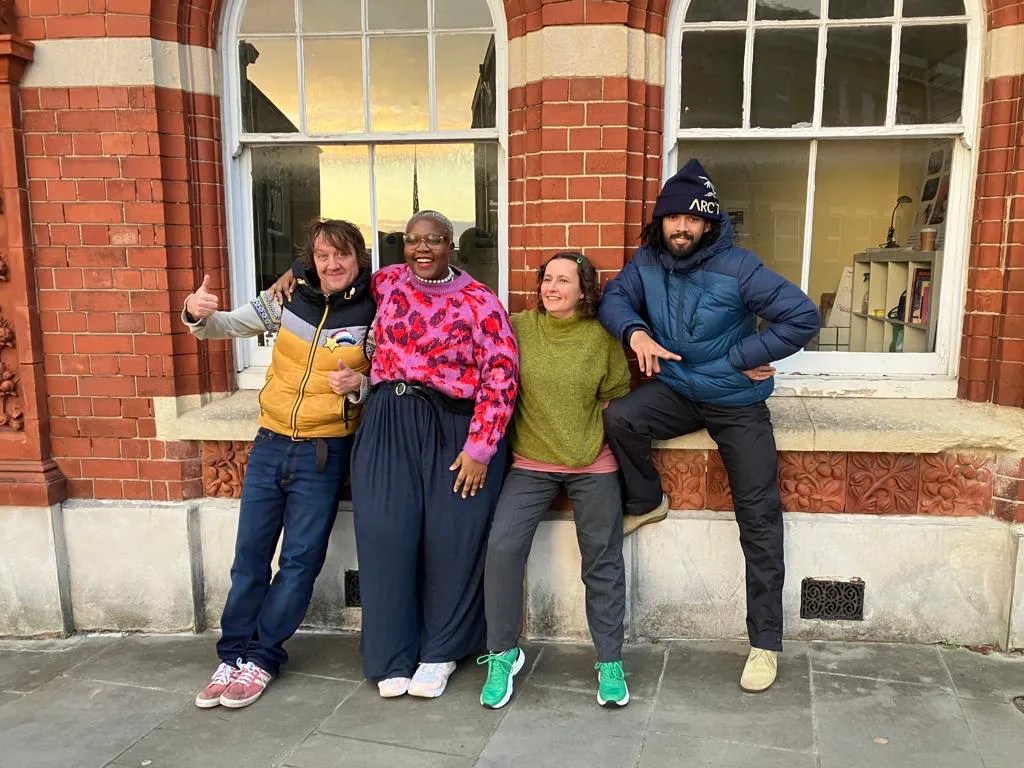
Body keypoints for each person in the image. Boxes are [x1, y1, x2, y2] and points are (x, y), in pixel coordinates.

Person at [269, 210, 519, 699]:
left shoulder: (481, 302)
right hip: (386, 421)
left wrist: (481, 447)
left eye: (435, 240)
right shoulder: (384, 284)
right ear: (403, 245)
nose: (423, 249)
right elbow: (333, 276)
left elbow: (502, 377)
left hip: (453, 429)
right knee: (387, 536)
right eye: (413, 240)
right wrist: (296, 274)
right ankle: (390, 654)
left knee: (451, 542)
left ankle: (440, 652)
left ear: (452, 244)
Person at [598, 159, 821, 693]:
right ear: (660, 223)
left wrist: (748, 353)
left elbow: (803, 316)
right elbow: (613, 298)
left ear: (709, 224)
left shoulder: (739, 267)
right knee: (620, 417)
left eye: (691, 220)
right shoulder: (646, 262)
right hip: (677, 389)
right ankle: (646, 500)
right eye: (672, 218)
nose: (681, 228)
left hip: (735, 399)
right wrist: (634, 333)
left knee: (759, 512)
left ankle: (764, 643)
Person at [183, 219, 375, 709]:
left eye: (343, 255)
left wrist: (360, 387)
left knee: (298, 563)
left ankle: (263, 658)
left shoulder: (376, 310)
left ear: (359, 257)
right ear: (310, 260)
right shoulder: (289, 299)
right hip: (269, 444)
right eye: (322, 256)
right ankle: (232, 655)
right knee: (249, 559)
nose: (333, 265)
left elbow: (391, 376)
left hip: (323, 452)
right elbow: (224, 326)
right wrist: (197, 314)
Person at [478, 252, 631, 711]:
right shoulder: (519, 327)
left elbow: (615, 400)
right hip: (530, 462)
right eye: (547, 279)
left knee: (602, 560)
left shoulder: (602, 337)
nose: (551, 287)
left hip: (592, 463)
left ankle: (609, 661)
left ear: (584, 291)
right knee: (502, 548)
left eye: (563, 280)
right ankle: (503, 653)